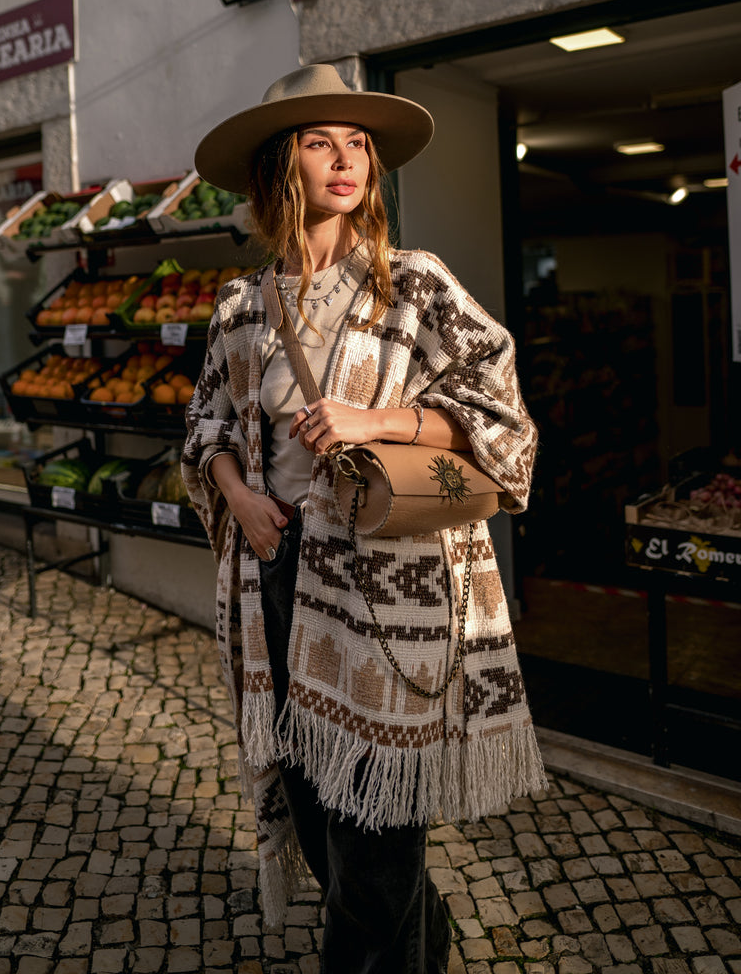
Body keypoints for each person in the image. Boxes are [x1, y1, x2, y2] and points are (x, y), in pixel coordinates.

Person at [182, 64, 546, 973]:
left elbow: (501, 412)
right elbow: (204, 428)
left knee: (377, 845)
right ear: (281, 164)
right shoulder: (242, 306)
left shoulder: (413, 286)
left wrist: (377, 419)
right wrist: (237, 494)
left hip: (389, 595)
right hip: (277, 582)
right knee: (317, 819)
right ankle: (427, 944)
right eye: (319, 141)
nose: (344, 160)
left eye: (358, 145)